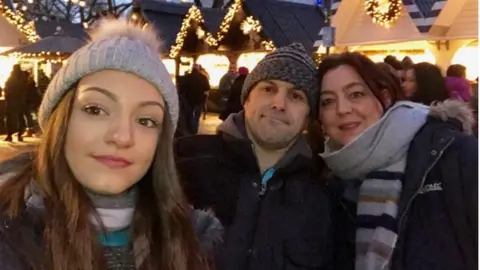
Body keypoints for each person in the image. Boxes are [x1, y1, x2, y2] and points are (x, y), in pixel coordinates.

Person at [0, 19, 221, 270]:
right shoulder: (9, 234)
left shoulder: (194, 240)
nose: (122, 136)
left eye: (146, 120)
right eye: (95, 109)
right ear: (60, 119)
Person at [175, 43, 331, 270]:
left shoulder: (320, 198)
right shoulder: (184, 161)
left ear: (308, 117)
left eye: (296, 96)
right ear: (247, 99)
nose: (279, 104)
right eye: (268, 89)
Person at [316, 52, 477, 270]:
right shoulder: (329, 181)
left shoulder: (451, 153)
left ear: (385, 96)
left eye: (355, 94)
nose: (342, 109)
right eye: (328, 101)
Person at [182, 64, 210, 133]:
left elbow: (181, 88)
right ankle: (194, 131)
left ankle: (188, 130)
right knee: (196, 116)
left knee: (188, 115)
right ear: (198, 69)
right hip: (199, 100)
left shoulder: (187, 77)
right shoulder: (203, 77)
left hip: (188, 99)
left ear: (192, 69)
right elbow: (207, 88)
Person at [4, 64, 27, 142]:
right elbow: (24, 90)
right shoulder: (22, 78)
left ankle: (9, 135)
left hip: (11, 101)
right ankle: (20, 134)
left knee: (10, 118)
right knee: (20, 118)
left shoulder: (11, 78)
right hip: (20, 101)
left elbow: (7, 88)